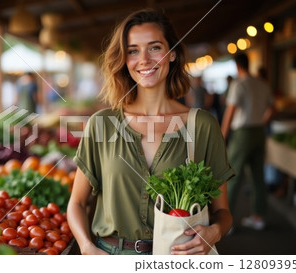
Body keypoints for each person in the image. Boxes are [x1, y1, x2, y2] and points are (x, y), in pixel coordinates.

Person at [67, 9, 235, 255]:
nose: (144, 59)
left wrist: (214, 232)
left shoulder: (202, 125)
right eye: (133, 50)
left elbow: (223, 213)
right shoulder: (102, 124)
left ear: (172, 53)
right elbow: (77, 204)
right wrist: (86, 247)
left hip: (177, 258)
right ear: (124, 59)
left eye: (154, 47)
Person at [221, 53, 275, 230]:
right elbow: (272, 108)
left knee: (231, 176)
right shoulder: (262, 83)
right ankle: (258, 217)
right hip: (259, 131)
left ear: (237, 66)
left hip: (243, 133)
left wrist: (222, 135)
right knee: (257, 175)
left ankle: (226, 223)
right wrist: (262, 121)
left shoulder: (239, 84)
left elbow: (230, 112)